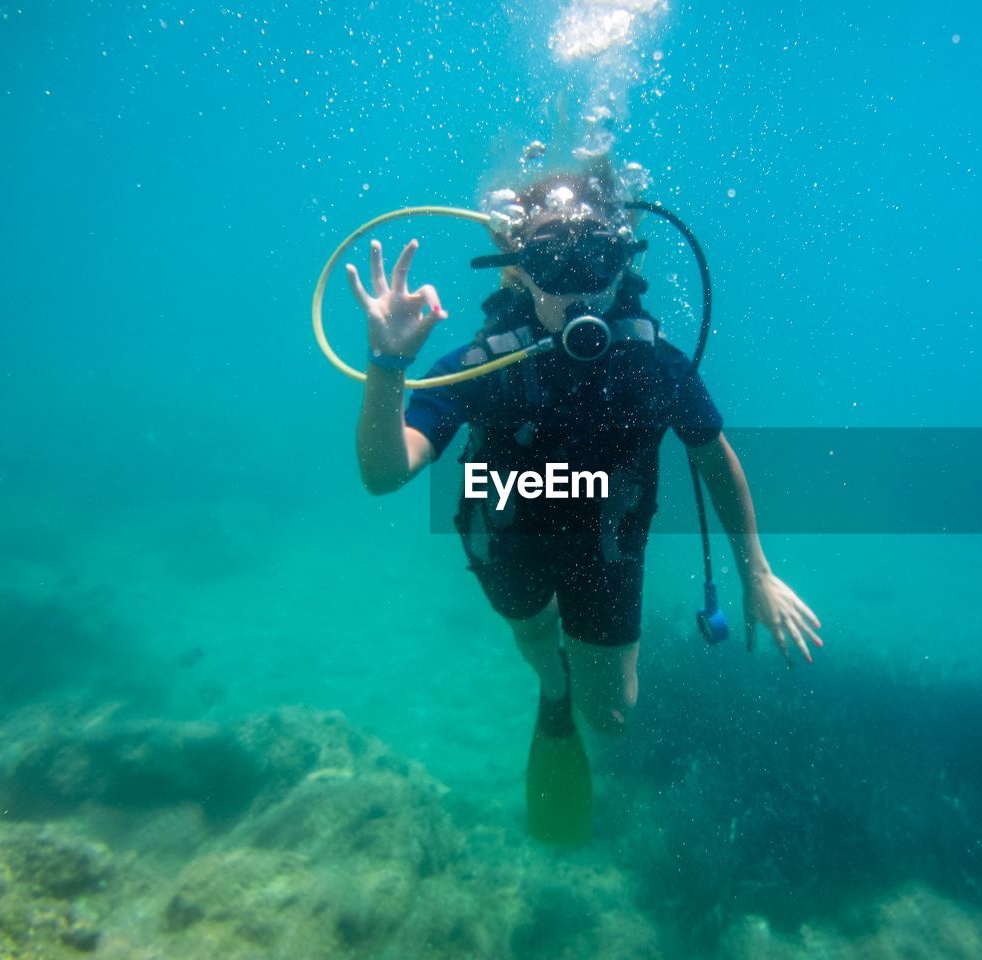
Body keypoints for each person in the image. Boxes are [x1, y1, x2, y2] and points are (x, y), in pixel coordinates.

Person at [347, 163, 822, 842]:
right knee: (538, 639)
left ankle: (571, 690)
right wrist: (387, 365)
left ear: (619, 264)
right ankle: (552, 688)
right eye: (550, 261)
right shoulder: (486, 362)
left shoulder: (656, 366)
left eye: (593, 258)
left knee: (614, 718)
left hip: (607, 547)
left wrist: (757, 572)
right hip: (508, 534)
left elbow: (715, 459)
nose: (575, 286)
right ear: (521, 271)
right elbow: (384, 473)